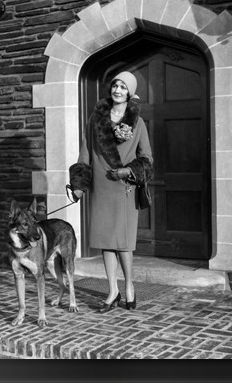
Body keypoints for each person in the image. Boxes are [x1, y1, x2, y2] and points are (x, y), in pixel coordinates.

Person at [69, 71, 153, 312]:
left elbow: (146, 157)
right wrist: (79, 185)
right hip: (101, 187)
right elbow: (85, 152)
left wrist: (129, 172)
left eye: (123, 87)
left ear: (130, 92)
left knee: (123, 242)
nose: (118, 90)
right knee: (106, 240)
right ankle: (113, 290)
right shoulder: (95, 119)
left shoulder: (137, 122)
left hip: (124, 188)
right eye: (115, 85)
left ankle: (129, 287)